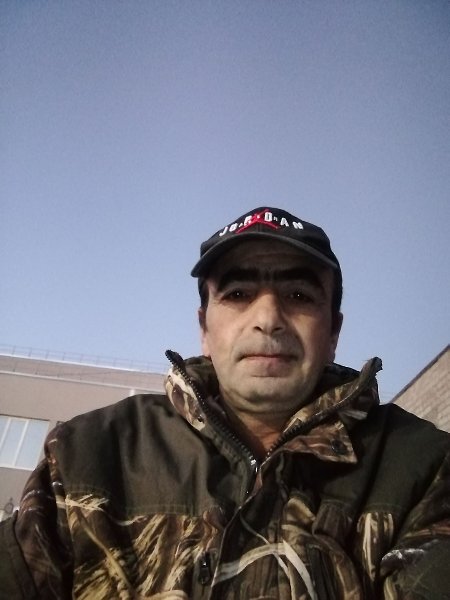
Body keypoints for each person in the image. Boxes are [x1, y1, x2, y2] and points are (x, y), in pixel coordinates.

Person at [1, 206, 449, 600]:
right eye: (237, 294)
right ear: (204, 328)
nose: (268, 319)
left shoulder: (424, 467)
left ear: (333, 332)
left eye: (298, 295)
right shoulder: (87, 454)